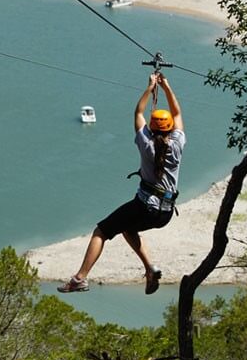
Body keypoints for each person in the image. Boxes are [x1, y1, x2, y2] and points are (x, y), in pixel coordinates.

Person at [58, 72, 185, 295]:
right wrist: (166, 87)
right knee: (128, 228)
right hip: (165, 213)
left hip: (145, 206)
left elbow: (138, 112)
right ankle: (150, 269)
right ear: (170, 128)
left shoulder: (145, 143)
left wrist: (149, 88)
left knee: (102, 231)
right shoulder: (177, 144)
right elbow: (177, 112)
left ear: (152, 128)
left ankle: (80, 278)